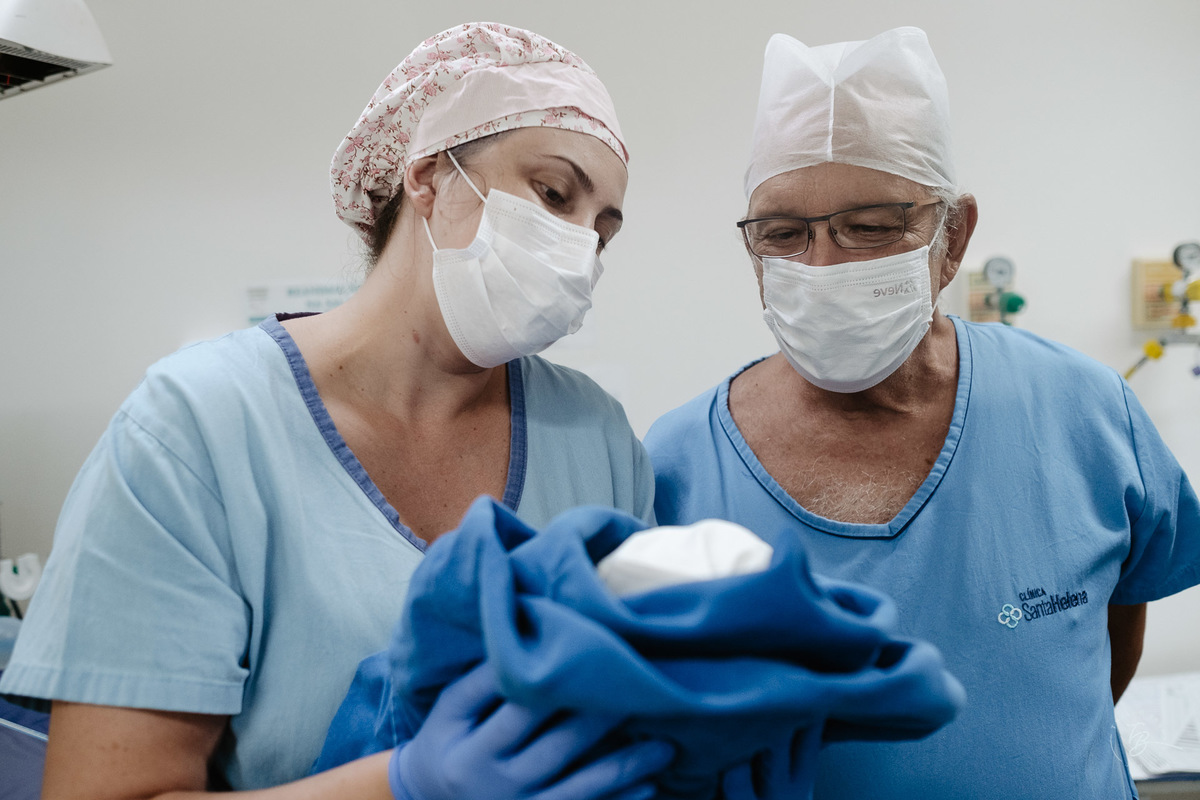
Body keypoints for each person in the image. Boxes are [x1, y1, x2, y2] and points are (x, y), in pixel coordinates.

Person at [0, 22, 673, 799]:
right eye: (554, 194)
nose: (578, 248)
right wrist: (408, 784)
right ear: (428, 176)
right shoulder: (197, 430)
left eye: (602, 232)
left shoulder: (596, 440)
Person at [644, 26, 1200, 799]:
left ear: (953, 237)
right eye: (783, 234)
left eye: (871, 228)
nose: (824, 266)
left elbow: (1112, 633)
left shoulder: (1083, 411)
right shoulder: (676, 467)